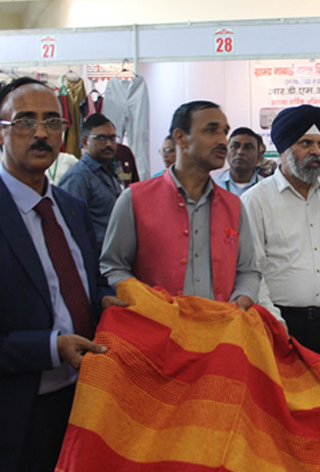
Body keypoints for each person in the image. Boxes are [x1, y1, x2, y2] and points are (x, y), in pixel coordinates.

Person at [0, 77, 126, 472]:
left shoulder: (71, 209)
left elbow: (75, 287)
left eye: (53, 122)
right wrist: (50, 347)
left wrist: (105, 299)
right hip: (16, 417)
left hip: (86, 405)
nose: (41, 133)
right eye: (24, 121)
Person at [101, 101, 278, 316]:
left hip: (220, 329)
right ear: (180, 138)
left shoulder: (233, 206)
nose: (222, 141)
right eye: (211, 131)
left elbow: (249, 270)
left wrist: (241, 300)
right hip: (157, 330)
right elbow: (113, 266)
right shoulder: (135, 199)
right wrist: (142, 299)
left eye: (224, 132)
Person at [242, 104, 320, 353]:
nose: (316, 152)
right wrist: (276, 325)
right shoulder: (256, 201)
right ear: (284, 149)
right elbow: (251, 272)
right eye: (305, 144)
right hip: (281, 324)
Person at [58, 113, 125, 253]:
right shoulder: (78, 177)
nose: (108, 144)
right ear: (85, 141)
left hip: (114, 258)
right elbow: (72, 230)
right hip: (95, 261)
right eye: (101, 138)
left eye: (112, 138)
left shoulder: (109, 172)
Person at [213, 127, 264, 197]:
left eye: (248, 147)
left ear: (259, 156)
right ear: (226, 152)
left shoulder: (267, 188)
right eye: (234, 146)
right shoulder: (213, 185)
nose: (240, 152)